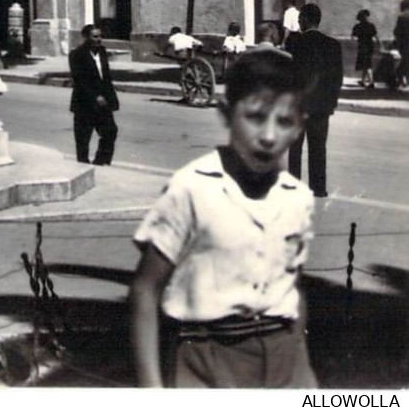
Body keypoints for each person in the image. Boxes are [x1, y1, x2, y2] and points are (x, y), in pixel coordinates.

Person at [129, 50, 316, 387]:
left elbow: (293, 288)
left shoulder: (297, 198)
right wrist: (151, 390)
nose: (269, 135)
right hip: (206, 357)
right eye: (256, 117)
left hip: (284, 356)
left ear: (300, 127)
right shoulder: (192, 189)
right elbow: (145, 288)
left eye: (284, 121)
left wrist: (305, 378)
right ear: (227, 115)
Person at [286, 2, 342, 197]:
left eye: (301, 18)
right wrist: (330, 103)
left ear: (307, 19)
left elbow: (291, 76)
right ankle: (318, 188)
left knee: (295, 150)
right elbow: (337, 79)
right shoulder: (333, 45)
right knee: (318, 149)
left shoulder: (295, 44)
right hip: (321, 108)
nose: (299, 21)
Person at [69, 22, 119, 166]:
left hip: (103, 103)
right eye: (95, 37)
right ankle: (83, 167)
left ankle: (101, 161)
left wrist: (112, 98)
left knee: (110, 131)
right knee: (83, 140)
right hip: (84, 104)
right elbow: (79, 80)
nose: (99, 39)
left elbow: (106, 76)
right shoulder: (76, 55)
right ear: (86, 38)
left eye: (100, 36)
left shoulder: (102, 52)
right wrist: (95, 96)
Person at [351, 8, 378, 86]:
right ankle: (363, 81)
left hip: (362, 46)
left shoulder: (357, 26)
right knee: (366, 63)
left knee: (366, 64)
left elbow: (353, 37)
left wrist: (358, 39)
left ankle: (371, 81)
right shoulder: (371, 26)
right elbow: (375, 37)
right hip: (370, 46)